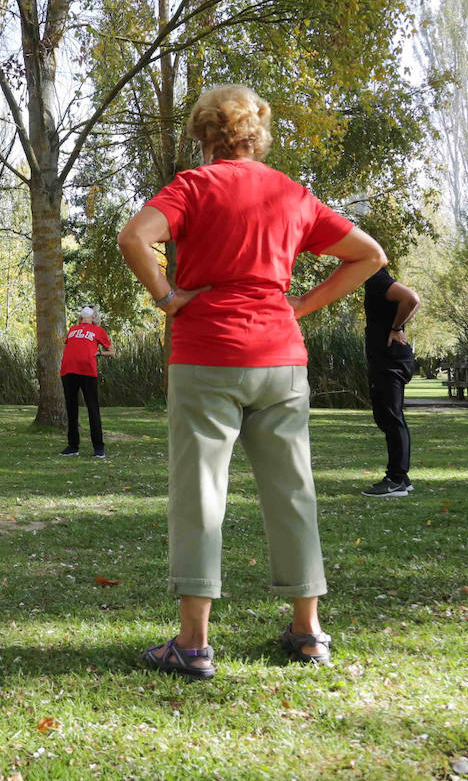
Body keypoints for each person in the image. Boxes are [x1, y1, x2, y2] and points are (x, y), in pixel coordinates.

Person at [117, 84, 386, 679]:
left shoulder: (192, 187)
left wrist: (167, 298)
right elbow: (369, 255)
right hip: (280, 360)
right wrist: (299, 307)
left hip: (206, 355)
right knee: (293, 489)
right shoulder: (291, 193)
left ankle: (192, 644)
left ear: (204, 134)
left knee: (200, 492)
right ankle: (309, 631)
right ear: (258, 132)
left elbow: (134, 237)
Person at [361, 267, 420, 498]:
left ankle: (396, 480)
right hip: (389, 358)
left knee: (391, 417)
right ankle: (401, 477)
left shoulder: (377, 278)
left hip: (390, 359)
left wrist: (396, 328)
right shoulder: (376, 280)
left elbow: (412, 298)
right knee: (388, 417)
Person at [59, 305, 115, 458]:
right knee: (71, 409)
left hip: (88, 372)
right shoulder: (72, 329)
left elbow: (111, 351)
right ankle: (73, 446)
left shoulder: (98, 331)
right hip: (68, 371)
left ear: (93, 317)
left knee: (92, 408)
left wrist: (99, 353)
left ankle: (98, 448)